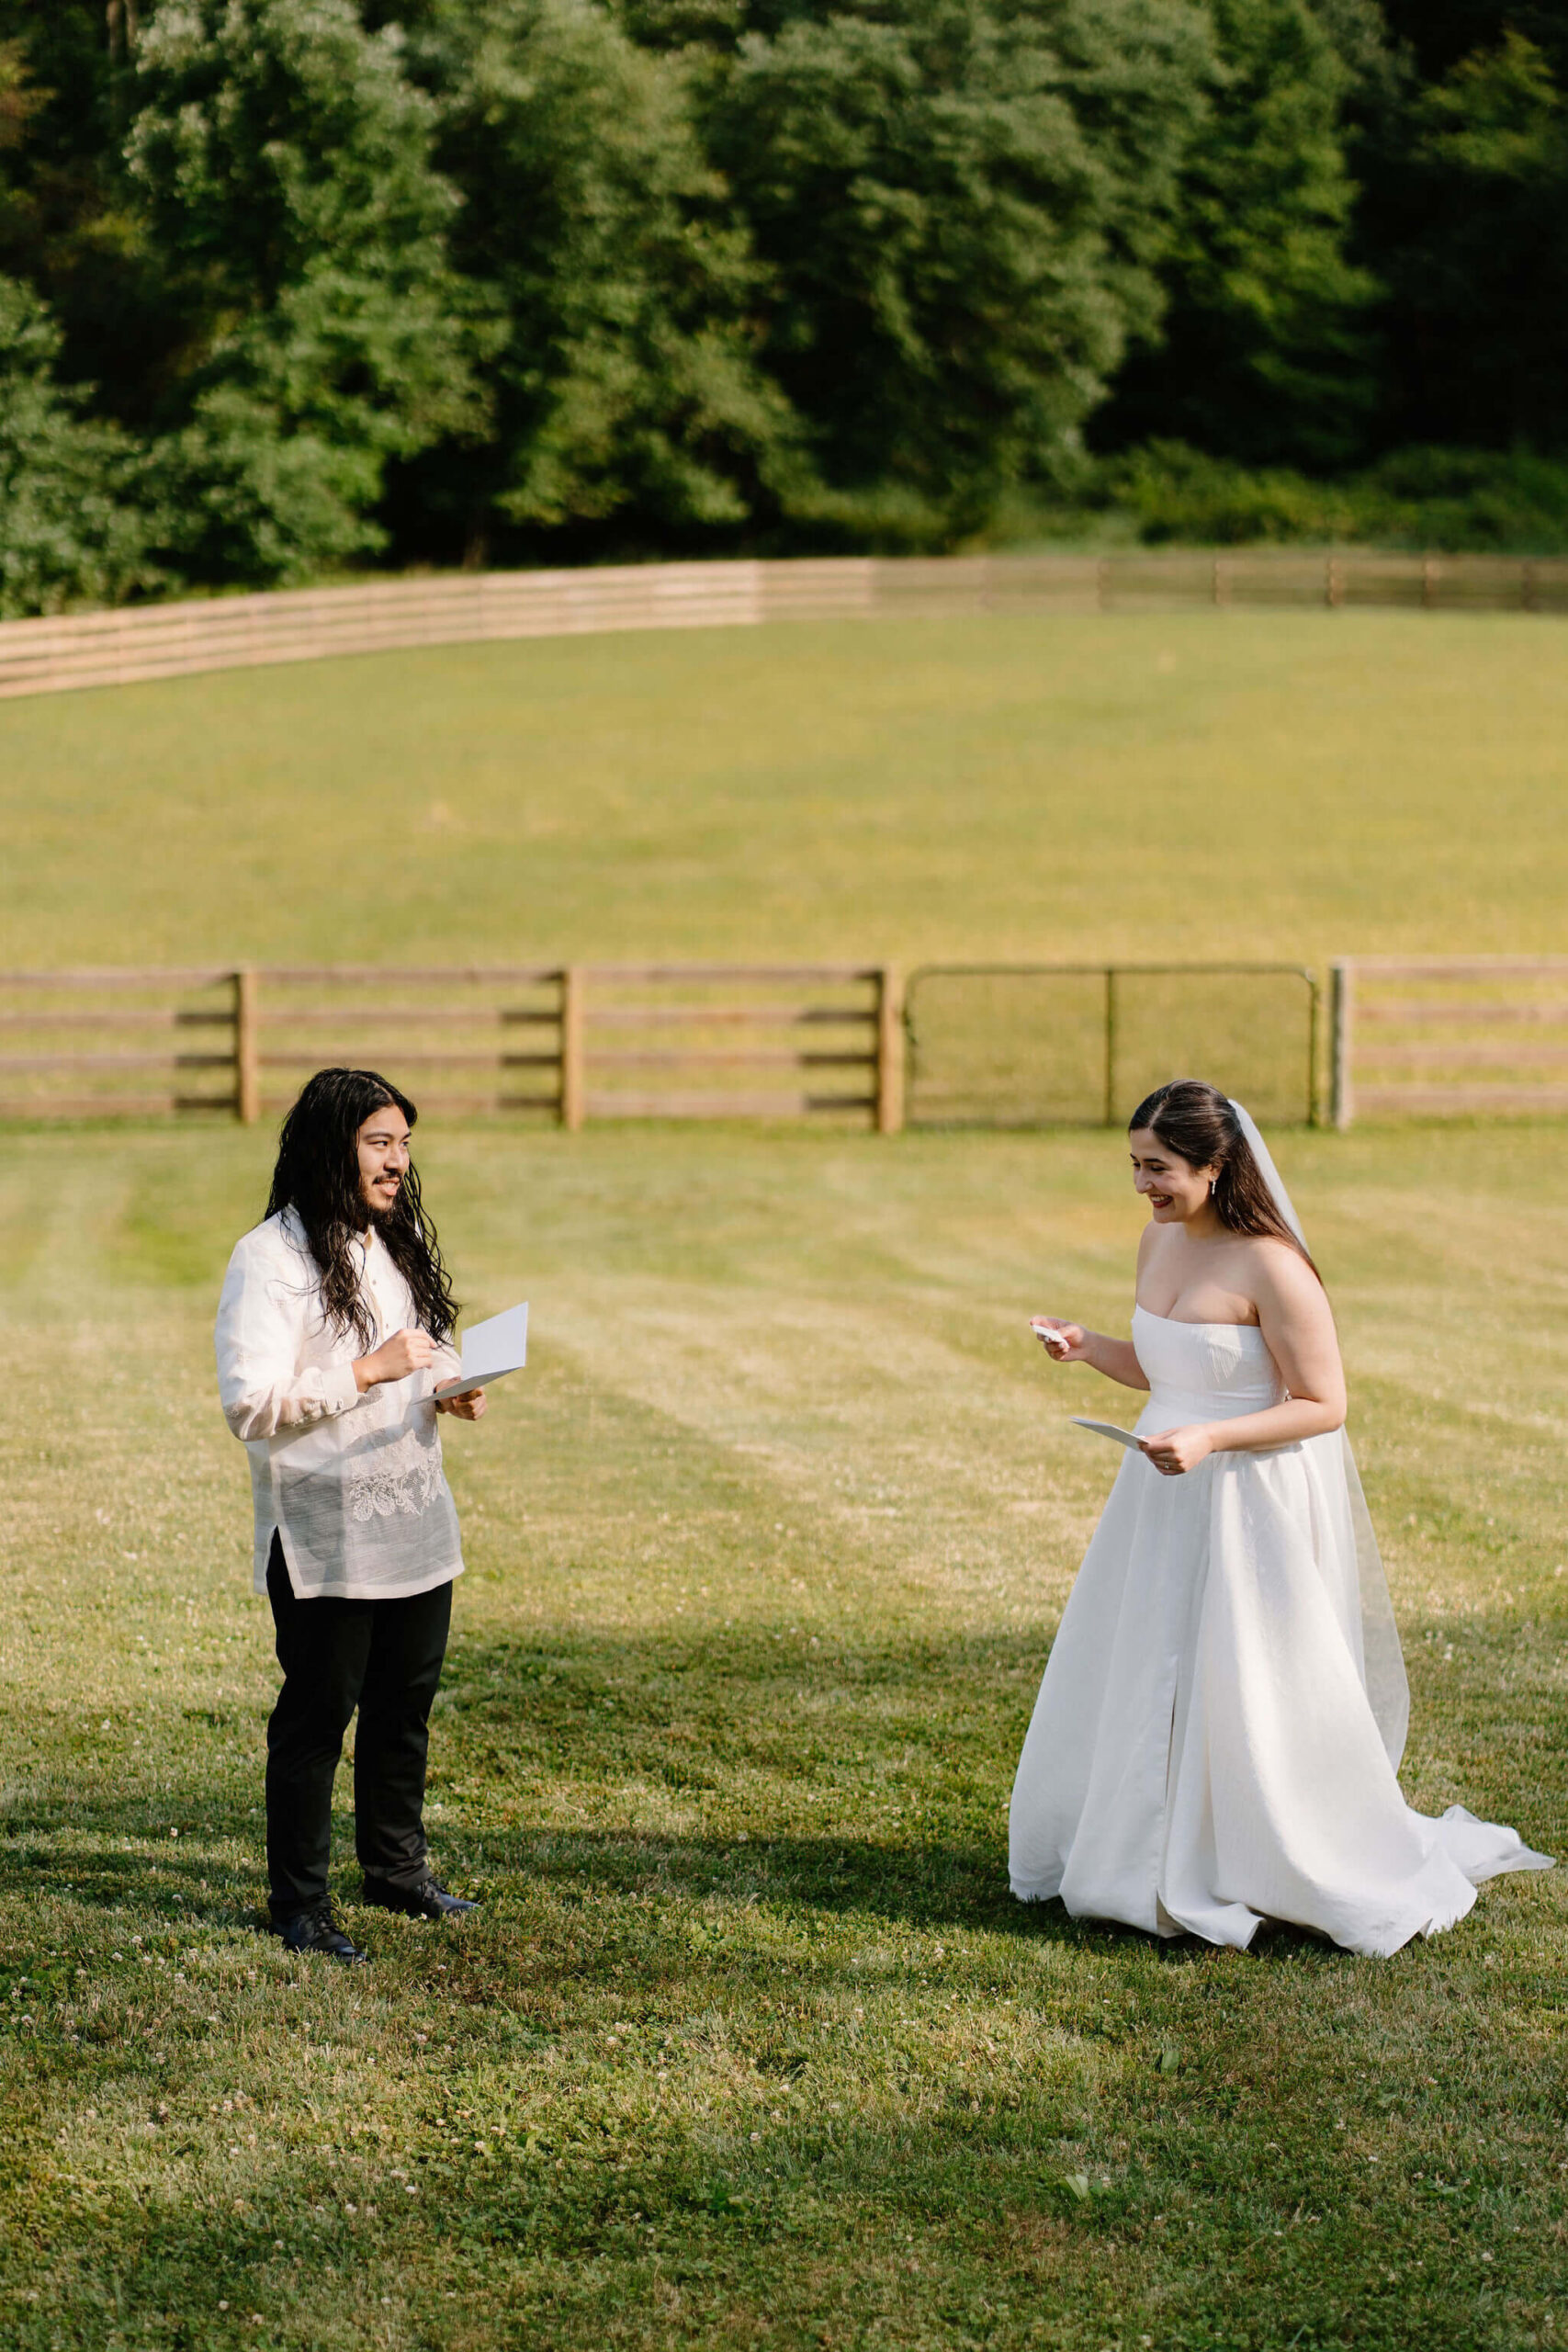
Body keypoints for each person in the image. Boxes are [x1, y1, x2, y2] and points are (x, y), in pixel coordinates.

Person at [1010, 1079, 1550, 1957]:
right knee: (1151, 1657)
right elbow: (1170, 1368)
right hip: (1162, 1490)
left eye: (1160, 1168)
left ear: (1217, 1166)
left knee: (1244, 1671)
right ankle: (1145, 1845)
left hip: (1245, 1495)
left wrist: (1213, 1439)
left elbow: (1322, 1403)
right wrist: (1086, 1348)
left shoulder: (1274, 1266)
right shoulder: (1158, 1241)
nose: (1143, 1185)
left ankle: (1258, 1850)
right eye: (1135, 1166)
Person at [215, 1069, 489, 1962]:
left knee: (405, 1707)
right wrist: (367, 1372)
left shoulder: (390, 1243)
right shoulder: (269, 1258)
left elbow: (414, 1346)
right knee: (317, 1716)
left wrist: (445, 1383)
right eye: (380, 1142)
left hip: (414, 1520)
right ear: (333, 1147)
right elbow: (250, 1403)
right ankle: (299, 1905)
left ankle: (396, 1870)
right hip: (325, 1531)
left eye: (405, 1144)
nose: (398, 1162)